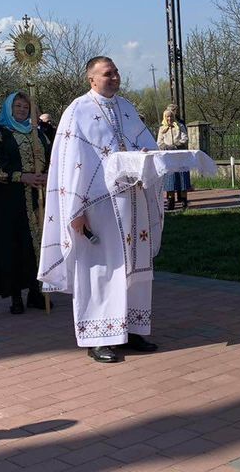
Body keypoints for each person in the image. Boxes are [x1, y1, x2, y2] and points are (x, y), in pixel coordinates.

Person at [38, 56, 161, 363]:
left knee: (133, 269)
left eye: (117, 72)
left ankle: (132, 329)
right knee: (102, 270)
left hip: (133, 204)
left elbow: (147, 146)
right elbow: (69, 165)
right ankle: (99, 338)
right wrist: (74, 212)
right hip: (98, 209)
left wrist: (148, 157)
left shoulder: (127, 108)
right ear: (91, 78)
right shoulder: (77, 112)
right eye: (108, 74)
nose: (115, 77)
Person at [0, 91, 50, 313]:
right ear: (9, 109)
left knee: (39, 244)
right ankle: (16, 295)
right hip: (11, 200)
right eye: (17, 106)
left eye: (25, 107)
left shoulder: (38, 134)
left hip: (38, 198)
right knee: (15, 245)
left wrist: (46, 175)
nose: (21, 110)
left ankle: (37, 292)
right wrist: (21, 176)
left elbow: (52, 157)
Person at [157, 104, 190, 211]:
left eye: (171, 116)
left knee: (182, 178)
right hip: (168, 158)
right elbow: (159, 142)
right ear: (165, 118)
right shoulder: (162, 128)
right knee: (170, 180)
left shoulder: (179, 126)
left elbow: (185, 139)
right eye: (167, 117)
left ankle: (184, 201)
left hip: (180, 156)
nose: (169, 118)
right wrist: (165, 147)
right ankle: (171, 202)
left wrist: (176, 145)